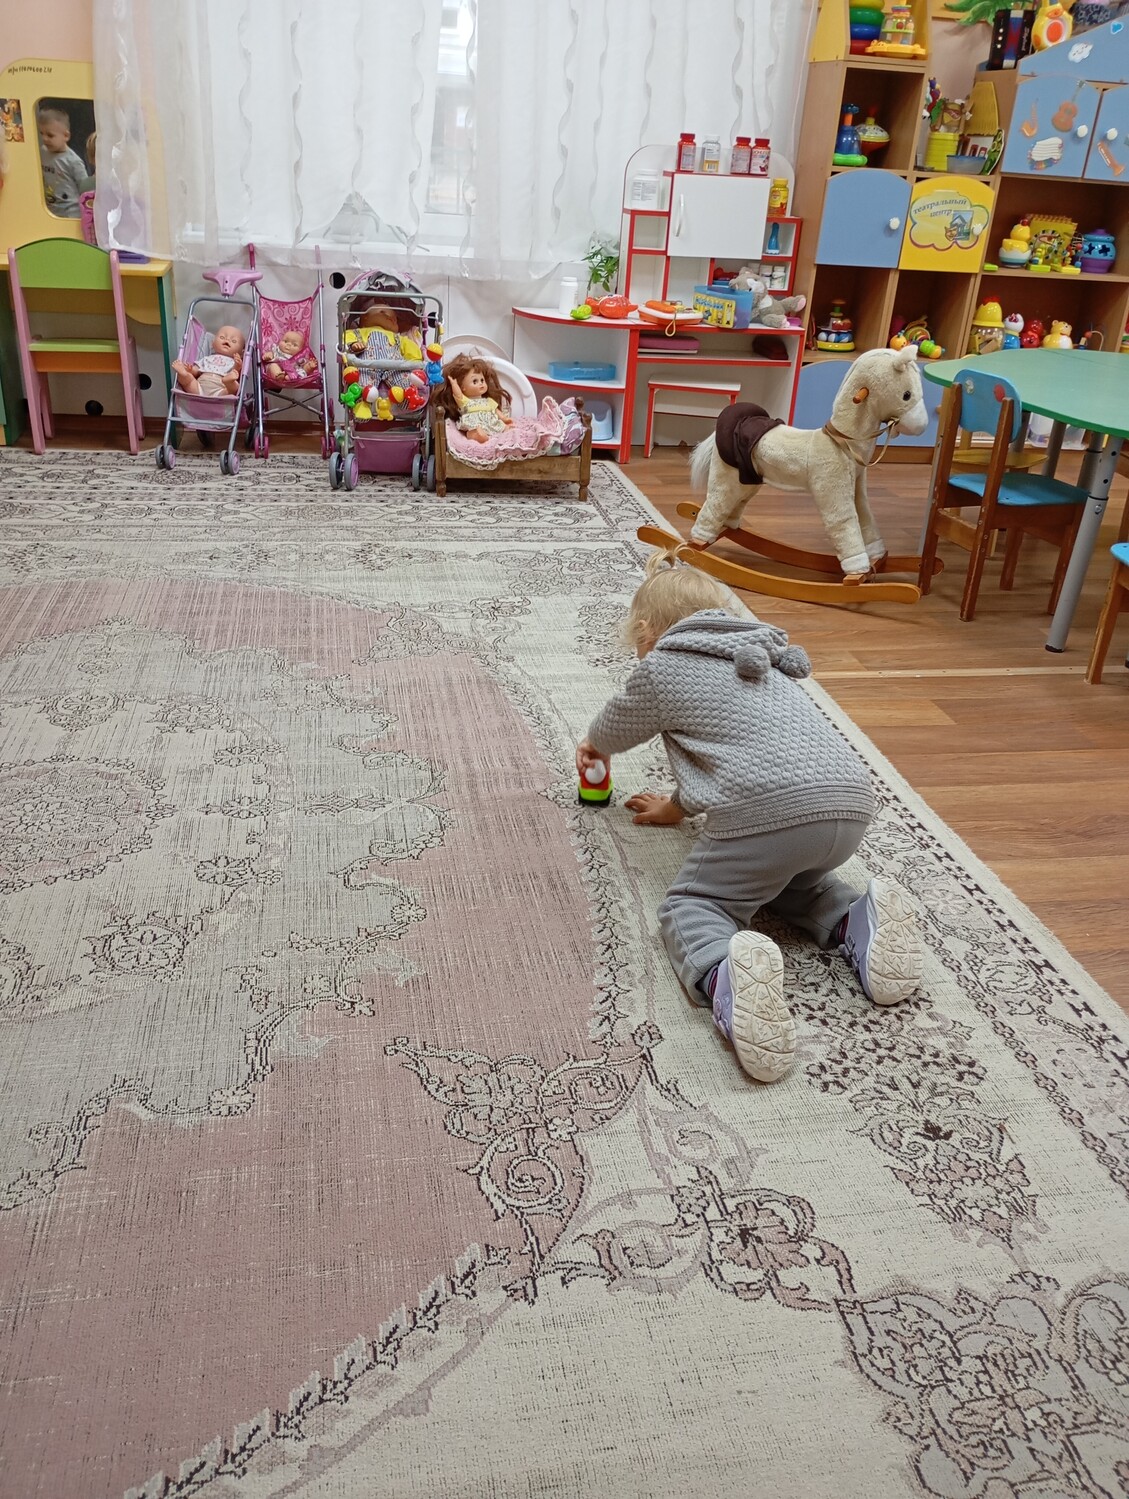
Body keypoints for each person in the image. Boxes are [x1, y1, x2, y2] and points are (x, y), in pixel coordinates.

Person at [575, 549, 923, 1085]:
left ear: (645, 632)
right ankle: (856, 919)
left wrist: (595, 746)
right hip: (849, 806)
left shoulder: (663, 666)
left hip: (770, 812)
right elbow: (738, 758)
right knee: (787, 883)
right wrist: (675, 807)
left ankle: (725, 978)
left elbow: (618, 724)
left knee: (694, 904)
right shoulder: (763, 662)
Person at [436, 354, 513, 443]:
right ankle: (474, 434)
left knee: (500, 426)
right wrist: (454, 384)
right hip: (474, 424)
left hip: (490, 423)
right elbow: (458, 395)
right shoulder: (465, 401)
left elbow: (496, 411)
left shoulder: (488, 400)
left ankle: (504, 430)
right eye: (475, 381)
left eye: (482, 380)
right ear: (463, 387)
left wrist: (504, 418)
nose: (481, 383)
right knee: (474, 430)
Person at [38, 107, 87, 218]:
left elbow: (85, 188)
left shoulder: (73, 161)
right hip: (49, 210)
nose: (44, 139)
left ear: (66, 136)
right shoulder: (41, 152)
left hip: (70, 212)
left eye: (50, 135)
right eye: (42, 133)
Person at [172, 324, 245, 397]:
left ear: (241, 353)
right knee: (188, 381)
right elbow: (197, 370)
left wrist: (238, 366)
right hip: (199, 387)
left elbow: (235, 373)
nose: (227, 340)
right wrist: (190, 370)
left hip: (220, 390)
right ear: (212, 344)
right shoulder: (207, 358)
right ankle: (183, 374)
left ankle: (229, 382)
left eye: (233, 341)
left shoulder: (233, 362)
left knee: (235, 388)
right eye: (222, 337)